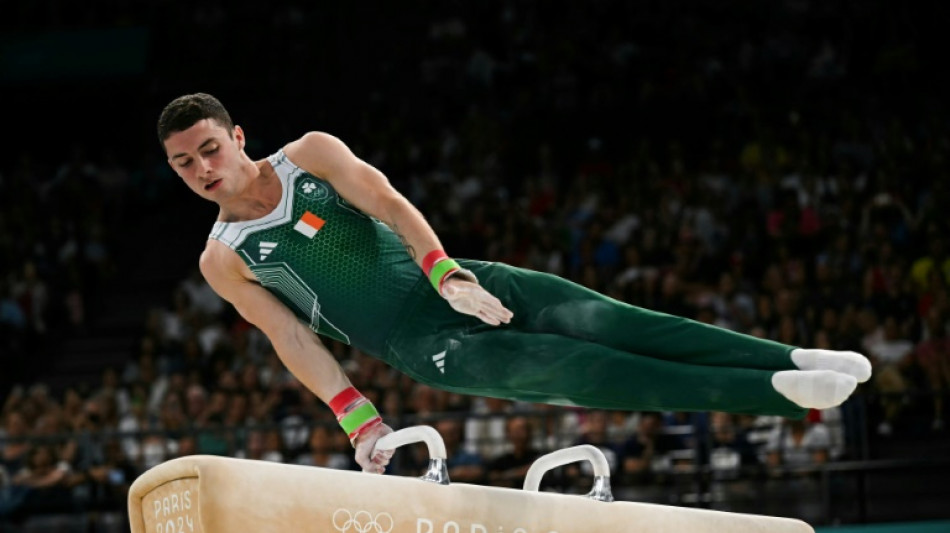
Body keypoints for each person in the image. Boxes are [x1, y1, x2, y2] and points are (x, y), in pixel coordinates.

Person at [157, 93, 872, 474]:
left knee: (614, 321)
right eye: (184, 164)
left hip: (463, 280)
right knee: (589, 370)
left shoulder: (310, 154)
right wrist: (357, 416)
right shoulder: (225, 258)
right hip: (427, 345)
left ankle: (787, 357)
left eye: (209, 149)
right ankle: (775, 394)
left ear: (239, 136)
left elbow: (390, 203)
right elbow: (288, 333)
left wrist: (446, 271)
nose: (202, 170)